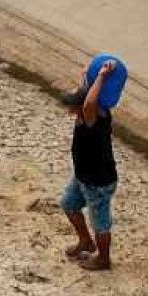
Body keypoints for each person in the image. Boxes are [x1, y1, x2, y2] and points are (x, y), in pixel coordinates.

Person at [58, 59, 118, 272]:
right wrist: (87, 73)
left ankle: (103, 260)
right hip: (83, 176)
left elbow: (88, 101)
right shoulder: (83, 114)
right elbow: (86, 93)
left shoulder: (93, 116)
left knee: (100, 224)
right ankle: (86, 241)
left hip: (98, 182)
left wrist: (101, 77)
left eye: (72, 103)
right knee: (68, 204)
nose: (68, 106)